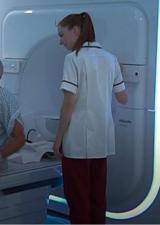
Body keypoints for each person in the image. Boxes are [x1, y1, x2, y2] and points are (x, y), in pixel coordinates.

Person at [53, 12, 128, 224]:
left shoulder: (73, 59)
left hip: (77, 141)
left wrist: (58, 139)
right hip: (102, 140)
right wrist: (119, 72)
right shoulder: (110, 59)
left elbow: (69, 103)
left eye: (62, 34)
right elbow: (123, 98)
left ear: (76, 31)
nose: (60, 41)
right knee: (97, 197)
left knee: (78, 199)